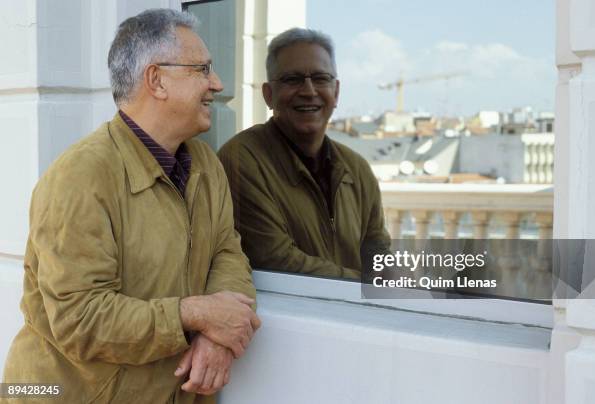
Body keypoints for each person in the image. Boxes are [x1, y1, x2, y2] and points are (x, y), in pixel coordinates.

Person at [3, 9, 260, 404]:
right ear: (156, 80)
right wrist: (195, 314)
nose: (217, 83)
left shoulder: (206, 165)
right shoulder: (80, 176)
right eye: (202, 69)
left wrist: (217, 337)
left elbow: (227, 252)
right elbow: (81, 320)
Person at [218, 28, 391, 279]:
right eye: (292, 79)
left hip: (356, 314)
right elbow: (278, 261)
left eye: (321, 78)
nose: (309, 90)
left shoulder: (357, 168)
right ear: (269, 94)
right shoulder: (242, 159)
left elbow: (379, 255)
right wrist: (363, 284)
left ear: (336, 92)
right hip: (283, 316)